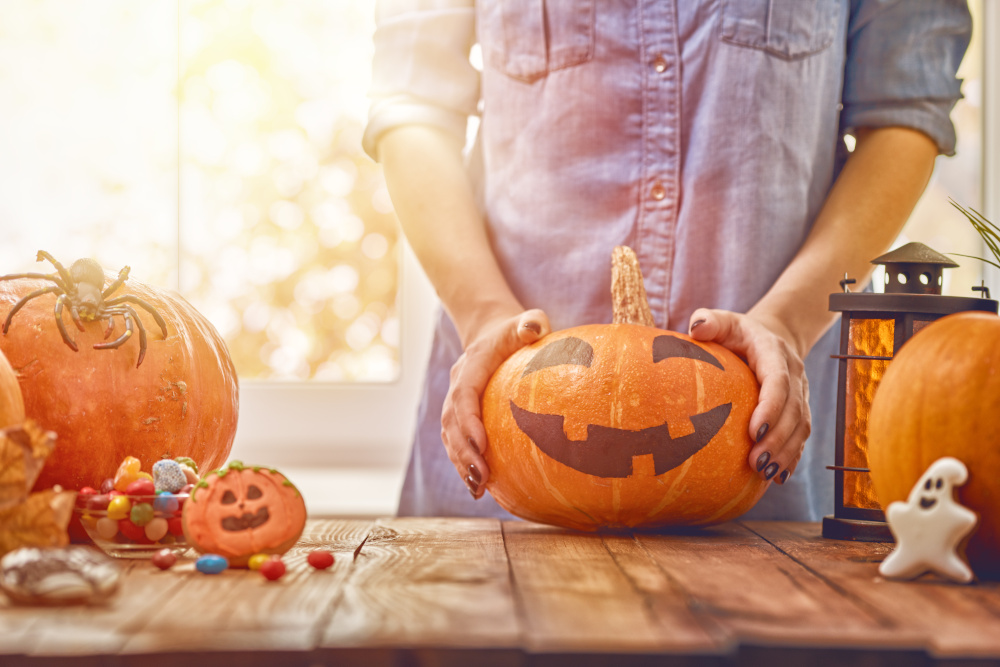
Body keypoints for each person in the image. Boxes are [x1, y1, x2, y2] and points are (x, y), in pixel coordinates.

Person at [362, 0, 972, 521]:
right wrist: (484, 313)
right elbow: (412, 103)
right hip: (499, 428)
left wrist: (787, 321)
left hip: (759, 437)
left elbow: (904, 112)